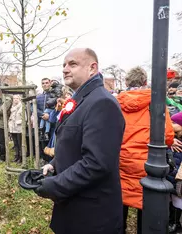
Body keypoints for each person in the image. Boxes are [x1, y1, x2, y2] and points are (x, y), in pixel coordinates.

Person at [34, 48, 125, 233]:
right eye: (64, 65)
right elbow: (73, 144)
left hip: (92, 217)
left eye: (73, 64)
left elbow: (96, 163)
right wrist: (53, 165)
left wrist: (55, 185)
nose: (65, 69)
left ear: (93, 68)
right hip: (74, 208)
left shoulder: (102, 103)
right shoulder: (82, 99)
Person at [117, 67, 174, 234]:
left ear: (127, 82)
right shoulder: (156, 102)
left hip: (121, 162)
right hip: (147, 165)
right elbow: (168, 136)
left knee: (120, 204)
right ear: (144, 81)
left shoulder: (116, 103)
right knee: (146, 206)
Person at [8, 95, 23, 163]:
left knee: (20, 144)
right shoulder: (12, 108)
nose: (15, 100)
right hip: (13, 128)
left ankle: (21, 157)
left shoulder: (22, 107)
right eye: (14, 98)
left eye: (17, 98)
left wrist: (17, 122)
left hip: (19, 129)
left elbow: (24, 118)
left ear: (19, 99)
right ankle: (16, 156)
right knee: (15, 144)